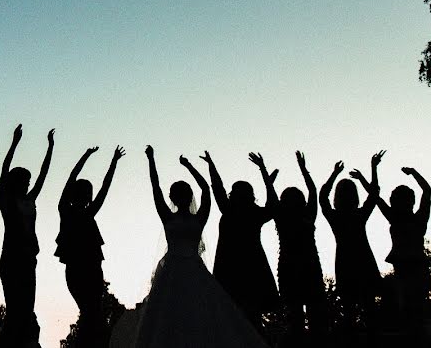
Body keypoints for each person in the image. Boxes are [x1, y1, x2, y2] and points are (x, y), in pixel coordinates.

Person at [131, 145, 268, 348]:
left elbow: (205, 189)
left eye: (183, 193)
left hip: (193, 270)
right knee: (171, 315)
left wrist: (189, 167)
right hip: (174, 272)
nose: (181, 196)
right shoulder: (169, 217)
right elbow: (156, 187)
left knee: (199, 313)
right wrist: (152, 161)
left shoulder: (197, 217)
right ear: (173, 198)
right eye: (178, 193)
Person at [56, 145, 125, 347]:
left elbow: (103, 187)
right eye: (87, 193)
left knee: (92, 315)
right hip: (82, 271)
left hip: (90, 270)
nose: (89, 196)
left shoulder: (79, 213)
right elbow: (75, 178)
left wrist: (112, 161)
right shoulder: (70, 211)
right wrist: (87, 156)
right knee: (90, 314)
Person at [201, 150, 279, 329]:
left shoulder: (229, 210)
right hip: (252, 267)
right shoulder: (254, 213)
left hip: (230, 267)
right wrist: (264, 172)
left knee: (233, 316)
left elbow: (217, 187)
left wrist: (211, 164)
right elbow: (272, 204)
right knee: (252, 318)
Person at [0, 124, 54, 346]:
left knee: (27, 308)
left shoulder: (30, 200)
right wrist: (14, 142)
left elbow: (43, 175)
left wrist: (50, 147)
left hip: (29, 258)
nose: (29, 183)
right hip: (12, 258)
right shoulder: (6, 200)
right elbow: (4, 171)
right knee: (15, 310)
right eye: (25, 180)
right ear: (17, 182)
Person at [320, 152, 383, 334]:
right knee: (369, 309)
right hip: (364, 261)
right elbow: (374, 195)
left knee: (349, 312)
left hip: (345, 263)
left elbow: (323, 197)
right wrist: (372, 169)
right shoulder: (359, 216)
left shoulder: (336, 218)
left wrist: (334, 174)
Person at [273, 151, 328, 345]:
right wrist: (303, 170)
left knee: (309, 316)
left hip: (305, 266)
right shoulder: (287, 218)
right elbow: (312, 192)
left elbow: (313, 192)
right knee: (297, 315)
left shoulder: (301, 216)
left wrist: (304, 170)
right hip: (296, 266)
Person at [373, 165, 431, 343]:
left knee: (411, 311)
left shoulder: (411, 218)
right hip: (407, 270)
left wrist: (414, 172)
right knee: (409, 312)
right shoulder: (412, 218)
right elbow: (376, 197)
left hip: (412, 269)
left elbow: (375, 197)